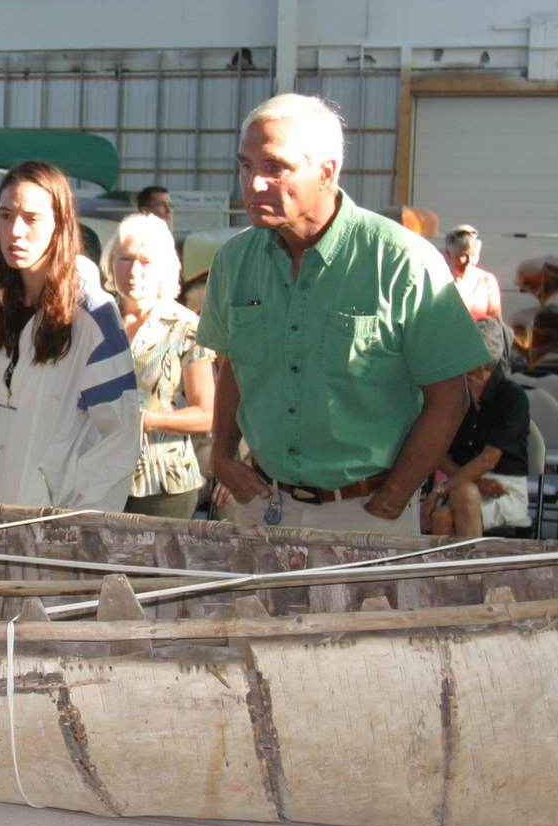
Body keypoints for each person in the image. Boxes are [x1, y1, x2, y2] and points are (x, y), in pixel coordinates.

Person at [200, 94, 488, 535]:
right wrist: (222, 456)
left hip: (364, 510)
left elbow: (450, 399)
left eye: (275, 167)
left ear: (327, 172)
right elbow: (236, 364)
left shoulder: (403, 261)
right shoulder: (235, 261)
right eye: (245, 166)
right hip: (262, 502)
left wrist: (391, 499)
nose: (254, 183)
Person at [0, 160, 139, 511]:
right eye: (5, 215)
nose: (15, 231)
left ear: (60, 224)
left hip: (53, 524)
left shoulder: (93, 317)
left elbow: (119, 435)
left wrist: (78, 522)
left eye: (32, 218)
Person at [107, 213, 215, 520]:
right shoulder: (96, 319)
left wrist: (147, 420)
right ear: (110, 262)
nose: (132, 271)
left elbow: (206, 414)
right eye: (124, 259)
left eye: (145, 262)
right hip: (99, 475)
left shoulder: (186, 326)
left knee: (157, 568)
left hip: (164, 482)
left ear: (165, 268)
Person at [421, 321, 530, 537]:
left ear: (482, 361)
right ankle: (466, 570)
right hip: (460, 481)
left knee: (457, 502)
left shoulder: (512, 397)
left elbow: (489, 459)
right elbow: (440, 453)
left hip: (504, 487)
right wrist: (476, 482)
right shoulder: (455, 394)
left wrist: (441, 490)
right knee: (457, 500)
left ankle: (461, 570)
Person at [445, 224, 502, 323]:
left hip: (480, 337)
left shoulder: (487, 281)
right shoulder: (439, 279)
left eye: (474, 255)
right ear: (448, 253)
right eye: (463, 256)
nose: (469, 261)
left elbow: (496, 323)